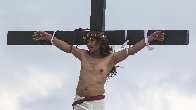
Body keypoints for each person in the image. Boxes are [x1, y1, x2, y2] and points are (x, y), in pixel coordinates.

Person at [32, 31, 165, 110]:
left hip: (96, 103)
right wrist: (50, 37)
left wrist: (149, 39)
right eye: (87, 42)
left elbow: (131, 50)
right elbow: (66, 47)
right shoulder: (83, 55)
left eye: (92, 41)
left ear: (100, 43)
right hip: (80, 101)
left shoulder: (110, 59)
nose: (88, 44)